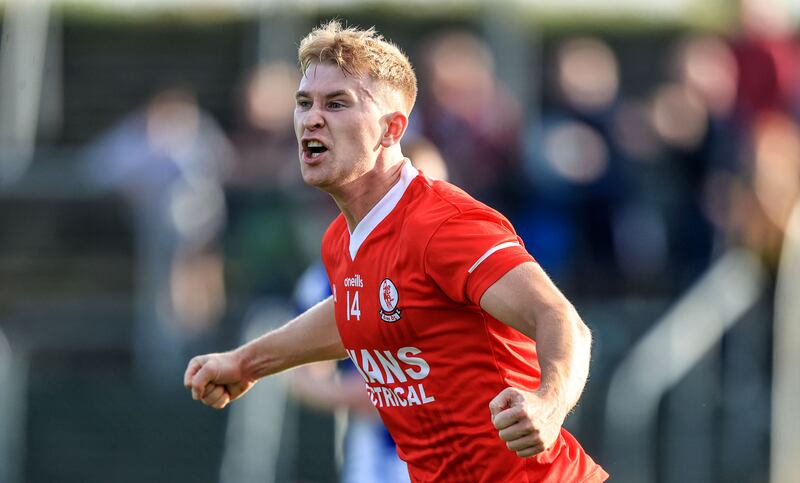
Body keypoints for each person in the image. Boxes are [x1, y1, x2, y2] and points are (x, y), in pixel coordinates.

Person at [184, 21, 608, 482]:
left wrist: (548, 403)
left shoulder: (445, 225)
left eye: (337, 103)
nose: (311, 118)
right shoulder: (342, 240)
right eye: (304, 103)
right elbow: (354, 312)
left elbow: (560, 319)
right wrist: (246, 363)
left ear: (392, 128)